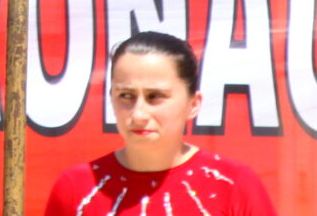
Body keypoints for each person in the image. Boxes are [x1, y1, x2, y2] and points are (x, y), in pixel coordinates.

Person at [43, 31, 279, 216]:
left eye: (155, 96)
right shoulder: (76, 188)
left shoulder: (233, 185)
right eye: (126, 96)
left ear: (193, 104)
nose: (139, 114)